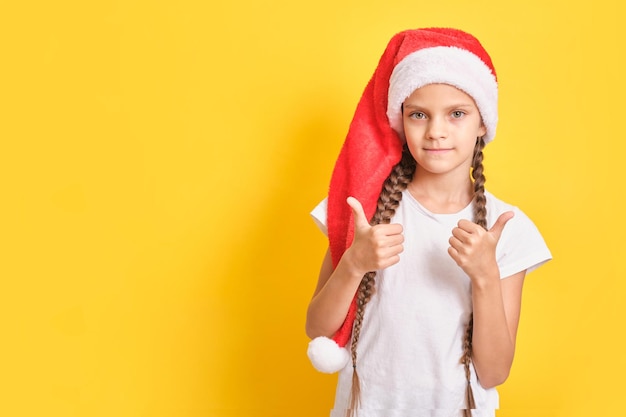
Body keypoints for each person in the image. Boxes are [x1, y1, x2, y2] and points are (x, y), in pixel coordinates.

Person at [304, 28, 552, 417]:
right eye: (418, 114)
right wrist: (354, 263)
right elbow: (317, 328)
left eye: (457, 113)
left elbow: (494, 371)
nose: (436, 130)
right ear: (400, 121)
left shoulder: (508, 229)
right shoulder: (363, 208)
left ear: (483, 123)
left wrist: (485, 275)